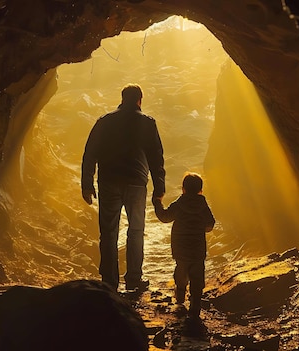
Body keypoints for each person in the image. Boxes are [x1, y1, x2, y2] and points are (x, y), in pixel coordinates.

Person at [81, 84, 165, 291]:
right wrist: (159, 186)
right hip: (136, 182)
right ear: (139, 100)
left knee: (108, 232)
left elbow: (90, 153)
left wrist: (87, 184)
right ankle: (134, 278)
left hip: (108, 181)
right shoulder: (147, 123)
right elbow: (156, 156)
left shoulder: (104, 121)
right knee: (136, 230)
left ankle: (109, 281)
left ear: (122, 98)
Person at [152, 172, 215, 317]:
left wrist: (157, 203)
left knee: (181, 269)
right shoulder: (203, 206)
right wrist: (201, 228)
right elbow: (210, 224)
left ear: (183, 189)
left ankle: (180, 293)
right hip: (198, 248)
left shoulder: (179, 205)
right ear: (201, 190)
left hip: (180, 248)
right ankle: (195, 302)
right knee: (197, 275)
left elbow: (165, 217)